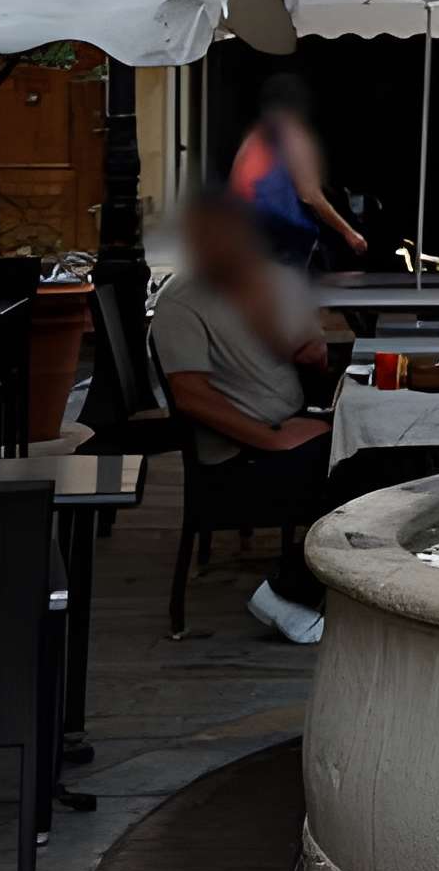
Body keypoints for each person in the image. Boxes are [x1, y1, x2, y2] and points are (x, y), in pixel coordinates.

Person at [151, 191, 340, 643]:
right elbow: (190, 395)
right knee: (363, 471)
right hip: (243, 456)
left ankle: (342, 588)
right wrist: (271, 437)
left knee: (388, 452)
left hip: (290, 421)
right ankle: (289, 593)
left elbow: (312, 355)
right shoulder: (183, 300)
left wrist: (308, 351)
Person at [228, 76, 365, 269]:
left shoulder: (254, 137)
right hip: (283, 235)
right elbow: (310, 196)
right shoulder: (293, 136)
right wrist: (348, 233)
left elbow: (236, 185)